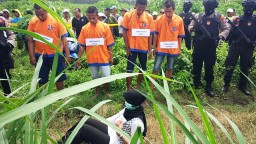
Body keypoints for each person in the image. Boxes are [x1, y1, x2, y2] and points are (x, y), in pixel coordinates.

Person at [59, 90, 147, 144]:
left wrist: (120, 134)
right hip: (112, 132)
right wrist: (97, 125)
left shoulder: (137, 123)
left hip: (115, 141)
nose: (125, 102)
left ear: (135, 103)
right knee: (85, 120)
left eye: (127, 101)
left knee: (84, 129)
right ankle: (62, 142)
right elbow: (113, 118)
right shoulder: (129, 110)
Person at [188, 0, 230, 97]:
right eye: (207, 8)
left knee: (209, 66)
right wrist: (192, 28)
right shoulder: (198, 16)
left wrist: (220, 36)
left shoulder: (219, 17)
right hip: (199, 46)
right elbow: (191, 25)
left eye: (210, 8)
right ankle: (196, 83)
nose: (208, 10)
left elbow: (227, 28)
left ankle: (208, 85)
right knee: (196, 64)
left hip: (210, 46)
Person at [27, 3, 70, 90]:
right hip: (40, 55)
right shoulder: (33, 21)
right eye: (37, 14)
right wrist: (31, 56)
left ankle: (61, 96)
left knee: (59, 77)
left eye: (42, 14)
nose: (39, 17)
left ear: (46, 10)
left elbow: (64, 39)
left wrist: (67, 55)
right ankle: (43, 98)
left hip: (55, 54)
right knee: (41, 78)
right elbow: (30, 40)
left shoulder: (56, 20)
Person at [77, 6, 115, 98]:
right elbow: (82, 46)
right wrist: (78, 59)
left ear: (97, 16)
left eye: (93, 18)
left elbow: (109, 44)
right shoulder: (84, 29)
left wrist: (111, 56)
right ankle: (97, 92)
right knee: (95, 77)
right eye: (89, 18)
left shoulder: (105, 27)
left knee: (106, 76)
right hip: (91, 58)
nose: (91, 20)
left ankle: (106, 92)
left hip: (104, 57)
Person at [222, 0, 256, 96]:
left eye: (251, 7)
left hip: (248, 47)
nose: (249, 9)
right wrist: (234, 28)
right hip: (236, 45)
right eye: (247, 7)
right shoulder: (237, 19)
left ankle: (243, 86)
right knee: (230, 65)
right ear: (244, 7)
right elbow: (230, 33)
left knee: (245, 67)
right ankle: (226, 84)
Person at [121, 0, 155, 91]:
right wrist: (127, 47)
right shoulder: (128, 15)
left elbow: (150, 34)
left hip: (143, 48)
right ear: (135, 5)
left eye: (143, 9)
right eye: (139, 9)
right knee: (129, 69)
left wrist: (149, 49)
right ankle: (128, 88)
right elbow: (124, 32)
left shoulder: (149, 17)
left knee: (142, 68)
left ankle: (138, 86)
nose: (140, 11)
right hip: (132, 47)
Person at [150, 0, 185, 90]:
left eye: (170, 11)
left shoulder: (179, 20)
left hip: (173, 49)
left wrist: (179, 49)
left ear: (174, 10)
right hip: (161, 48)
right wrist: (154, 47)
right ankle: (151, 88)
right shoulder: (159, 19)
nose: (167, 14)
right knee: (155, 67)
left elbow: (180, 36)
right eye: (166, 11)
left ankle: (166, 88)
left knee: (170, 68)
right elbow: (156, 34)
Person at [0, 16, 15, 96]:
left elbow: (10, 34)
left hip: (3, 53)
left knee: (5, 75)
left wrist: (9, 44)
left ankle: (8, 95)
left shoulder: (2, 20)